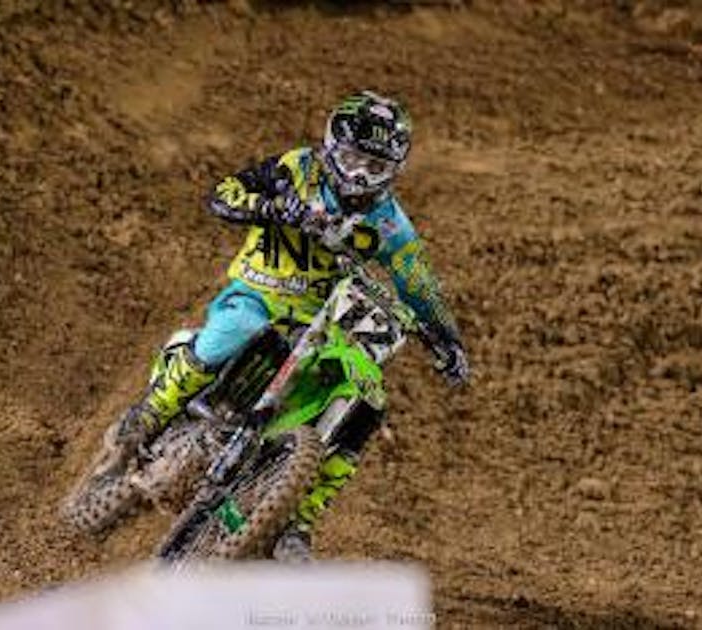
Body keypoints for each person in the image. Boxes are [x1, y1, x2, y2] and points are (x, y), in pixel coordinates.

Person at [110, 90, 469, 560]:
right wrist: (273, 208)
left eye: (375, 167)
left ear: (393, 170)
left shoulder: (390, 224)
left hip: (320, 320)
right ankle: (152, 413)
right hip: (261, 294)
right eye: (353, 159)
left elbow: (418, 282)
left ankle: (298, 520)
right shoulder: (297, 169)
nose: (359, 175)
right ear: (331, 147)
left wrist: (447, 339)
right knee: (235, 331)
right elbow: (225, 194)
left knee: (367, 398)